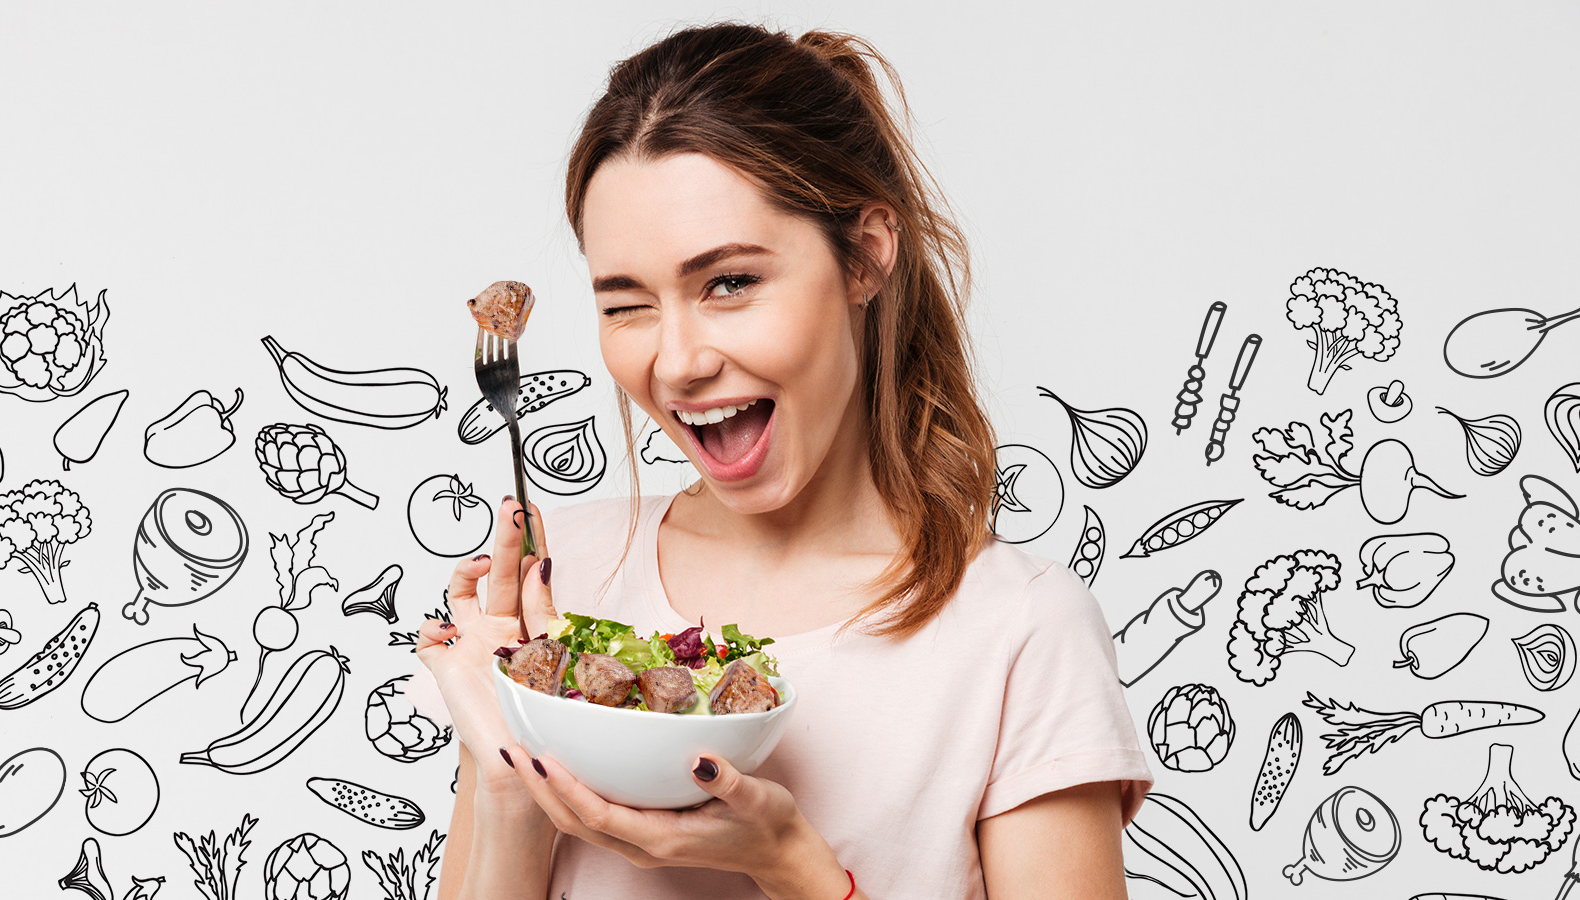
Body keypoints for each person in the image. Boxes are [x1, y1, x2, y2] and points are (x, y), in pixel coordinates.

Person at [409, 21, 1154, 900]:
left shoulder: (1017, 632)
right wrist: (510, 764)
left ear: (868, 255)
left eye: (729, 282)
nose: (678, 361)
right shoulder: (554, 587)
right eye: (628, 304)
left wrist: (792, 869)